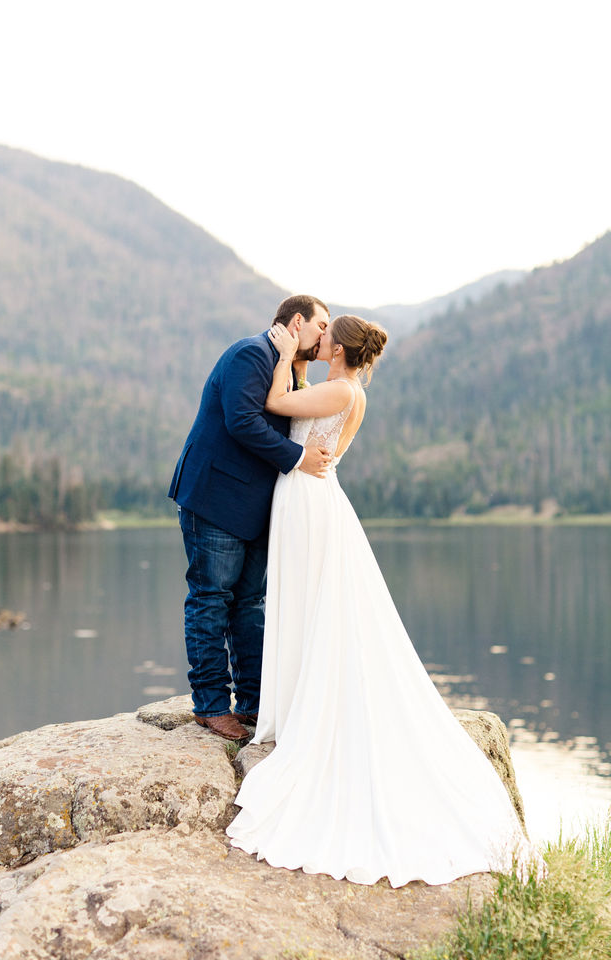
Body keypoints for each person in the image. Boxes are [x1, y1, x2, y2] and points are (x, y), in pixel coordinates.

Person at [226, 315, 541, 888]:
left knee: (306, 603)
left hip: (307, 497)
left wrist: (280, 351)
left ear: (338, 349)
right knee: (314, 605)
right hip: (317, 494)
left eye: (324, 337)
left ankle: (304, 707)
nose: (317, 340)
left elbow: (275, 401)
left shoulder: (337, 388)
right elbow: (312, 428)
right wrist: (300, 364)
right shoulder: (352, 393)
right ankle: (300, 699)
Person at [168, 295, 331, 741]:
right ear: (297, 321)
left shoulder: (285, 367)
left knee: (250, 605)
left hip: (258, 508)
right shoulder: (251, 353)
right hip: (217, 498)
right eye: (321, 327)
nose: (324, 338)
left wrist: (294, 368)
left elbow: (285, 414)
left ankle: (255, 706)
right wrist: (298, 458)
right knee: (210, 599)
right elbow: (241, 420)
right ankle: (211, 706)